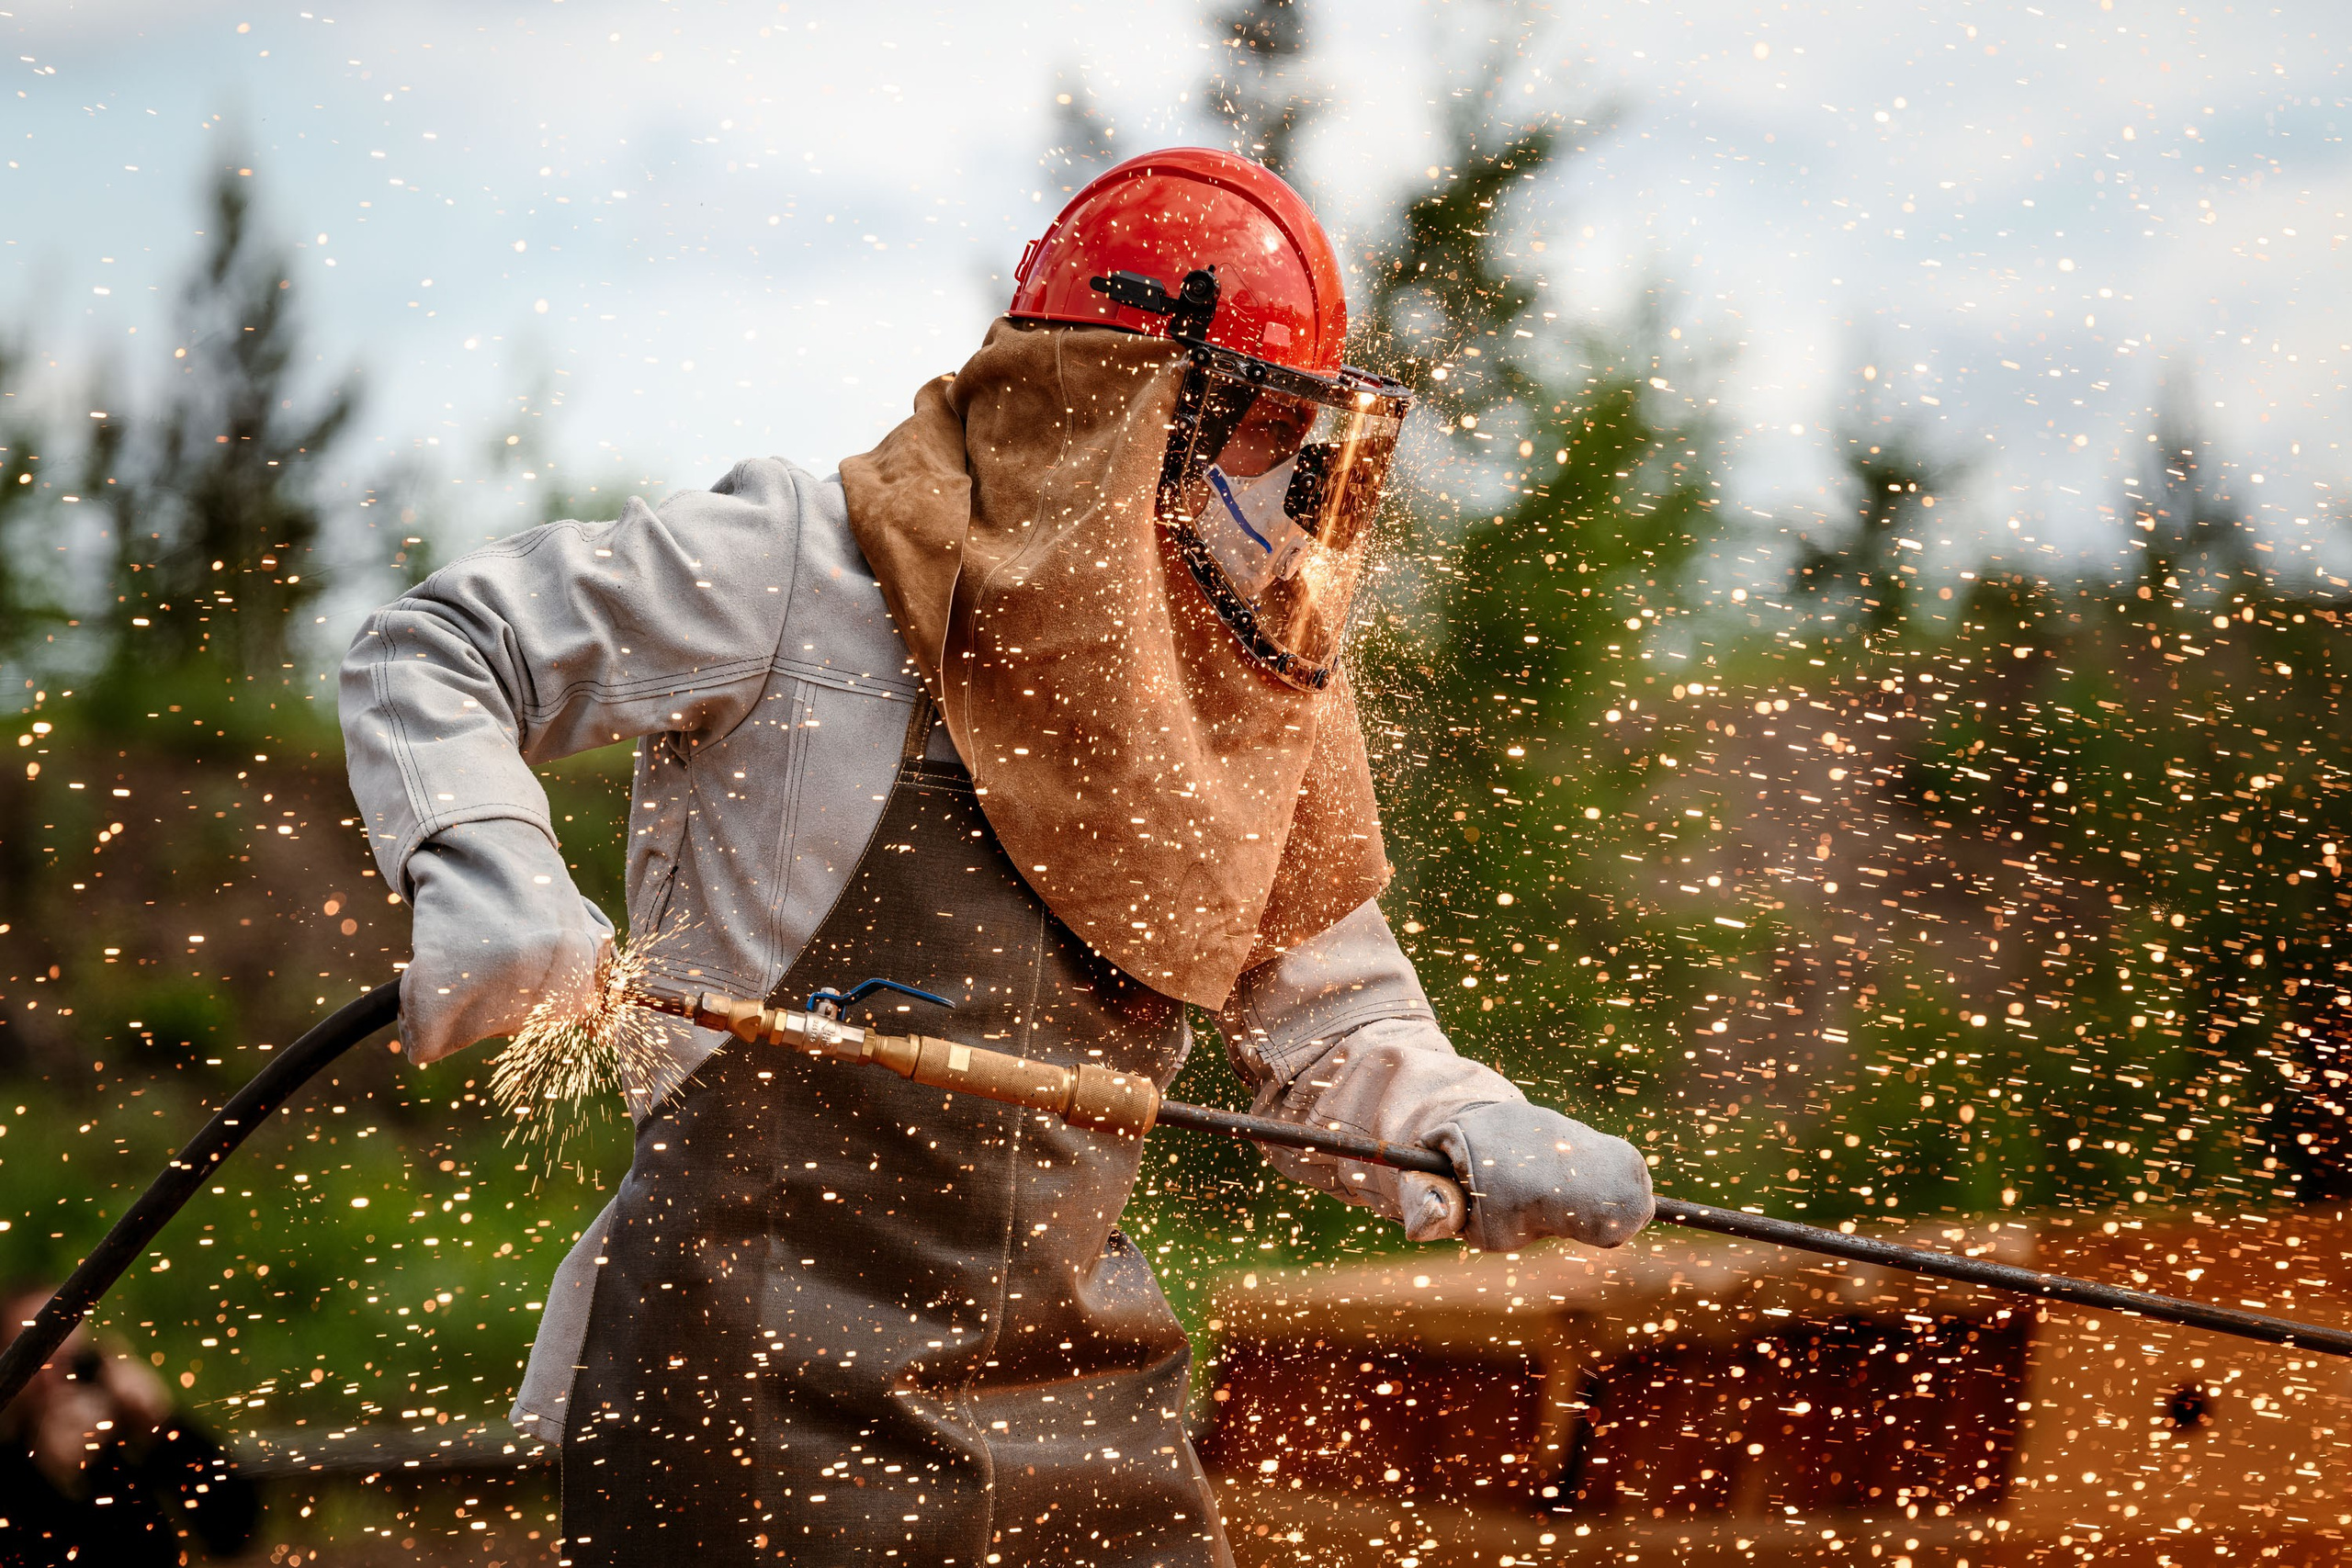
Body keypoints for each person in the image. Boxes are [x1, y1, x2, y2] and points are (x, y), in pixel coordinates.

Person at [339, 147, 1653, 1566]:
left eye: (1299, 439)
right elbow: (447, 645)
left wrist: (1472, 1120)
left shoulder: (1242, 691)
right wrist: (487, 859)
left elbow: (1334, 1023)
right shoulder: (801, 562)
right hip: (751, 1395)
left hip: (1079, 1399)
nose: (1279, 488)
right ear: (1107, 404)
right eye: (1256, 432)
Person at [0, 1286, 257, 1566]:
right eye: (39, 1362)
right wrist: (52, 1477)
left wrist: (164, 1427)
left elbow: (233, 1530)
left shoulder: (122, 1443)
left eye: (73, 1359)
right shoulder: (11, 1474)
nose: (60, 1380)